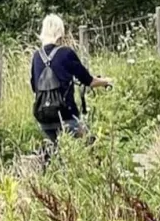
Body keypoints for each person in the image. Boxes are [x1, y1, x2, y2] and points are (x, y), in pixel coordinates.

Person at [31, 14, 111, 154]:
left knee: (56, 152)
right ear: (60, 32)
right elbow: (88, 81)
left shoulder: (36, 56)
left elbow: (34, 87)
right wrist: (106, 81)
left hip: (44, 119)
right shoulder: (66, 53)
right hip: (67, 117)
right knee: (90, 147)